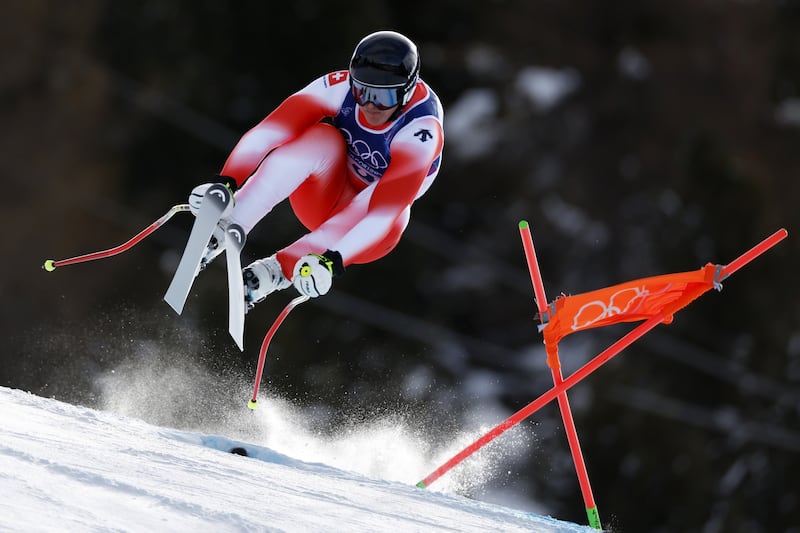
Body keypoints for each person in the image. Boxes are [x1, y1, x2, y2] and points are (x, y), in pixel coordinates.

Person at [190, 30, 444, 311]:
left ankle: (275, 271)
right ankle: (226, 226)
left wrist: (333, 262)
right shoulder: (339, 88)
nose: (370, 105)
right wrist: (226, 180)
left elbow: (383, 213)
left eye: (383, 97)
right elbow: (271, 130)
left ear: (407, 92)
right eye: (363, 91)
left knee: (393, 207)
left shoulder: (421, 129)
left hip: (367, 235)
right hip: (321, 197)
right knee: (321, 137)